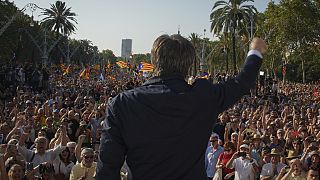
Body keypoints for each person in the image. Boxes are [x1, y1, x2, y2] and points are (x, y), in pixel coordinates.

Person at [96, 34, 267, 179]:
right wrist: (255, 51)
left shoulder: (122, 104)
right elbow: (241, 83)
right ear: (188, 64)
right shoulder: (203, 97)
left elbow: (107, 168)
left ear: (154, 61)